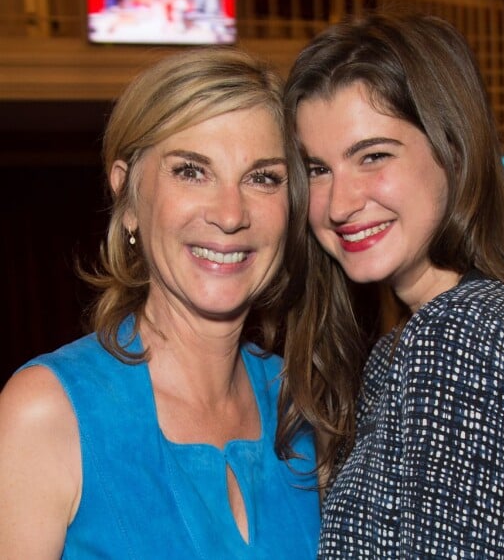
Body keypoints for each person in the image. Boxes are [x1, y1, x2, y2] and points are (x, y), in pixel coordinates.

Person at [279, 11, 504, 558]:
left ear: (453, 153)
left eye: (373, 156)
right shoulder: (448, 331)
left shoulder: (466, 337)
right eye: (317, 169)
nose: (339, 204)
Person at [0, 47, 320, 558]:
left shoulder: (300, 403)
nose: (231, 213)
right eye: (192, 171)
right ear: (127, 197)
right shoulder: (46, 413)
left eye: (263, 178)